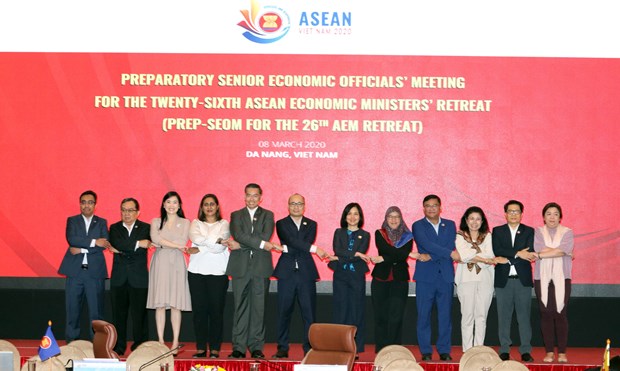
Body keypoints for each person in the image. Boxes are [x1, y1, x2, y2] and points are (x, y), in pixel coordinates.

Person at [226, 183, 281, 359]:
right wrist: (261, 245)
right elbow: (239, 234)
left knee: (259, 309)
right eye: (248, 195)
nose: (251, 198)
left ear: (260, 197)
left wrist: (240, 246)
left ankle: (256, 346)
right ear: (244, 196)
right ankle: (239, 347)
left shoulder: (268, 215)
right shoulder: (235, 215)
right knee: (239, 308)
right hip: (240, 268)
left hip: (260, 268)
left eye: (255, 195)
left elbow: (264, 237)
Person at [272, 194, 329, 358]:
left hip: (306, 274)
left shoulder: (311, 224)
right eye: (293, 204)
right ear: (288, 206)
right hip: (286, 274)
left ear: (304, 206)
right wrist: (314, 249)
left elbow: (294, 244)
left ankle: (309, 348)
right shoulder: (281, 223)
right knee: (284, 311)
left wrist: (287, 247)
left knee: (309, 313)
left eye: (299, 204)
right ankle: (282, 347)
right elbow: (290, 239)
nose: (296, 207)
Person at [412, 194, 459, 361]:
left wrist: (431, 256)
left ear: (440, 207)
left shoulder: (451, 224)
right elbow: (425, 244)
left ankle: (444, 350)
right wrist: (449, 254)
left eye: (434, 205)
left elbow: (449, 244)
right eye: (428, 205)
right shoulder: (418, 225)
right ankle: (425, 351)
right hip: (425, 277)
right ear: (423, 208)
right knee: (423, 315)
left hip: (445, 276)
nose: (431, 208)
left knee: (445, 315)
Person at [59, 190, 110, 342]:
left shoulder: (101, 222)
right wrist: (94, 242)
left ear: (95, 205)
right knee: (72, 310)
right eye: (83, 202)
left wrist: (81, 249)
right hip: (75, 272)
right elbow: (72, 239)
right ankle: (72, 344)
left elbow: (104, 244)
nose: (86, 205)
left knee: (96, 312)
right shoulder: (72, 220)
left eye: (90, 202)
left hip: (94, 273)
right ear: (80, 204)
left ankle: (96, 344)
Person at [147, 191, 191, 355]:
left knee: (175, 304)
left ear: (179, 205)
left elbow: (181, 241)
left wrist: (166, 244)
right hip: (160, 263)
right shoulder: (156, 221)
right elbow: (154, 238)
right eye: (168, 202)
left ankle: (174, 342)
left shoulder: (186, 222)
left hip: (177, 263)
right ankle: (160, 341)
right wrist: (175, 245)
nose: (171, 205)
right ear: (163, 204)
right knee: (159, 304)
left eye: (175, 202)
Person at [492, 200, 537, 362]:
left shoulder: (529, 231)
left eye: (516, 211)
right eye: (510, 211)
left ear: (521, 214)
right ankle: (504, 348)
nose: (513, 214)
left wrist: (509, 259)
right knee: (503, 317)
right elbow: (498, 250)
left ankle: (525, 349)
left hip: (522, 280)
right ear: (505, 214)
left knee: (524, 316)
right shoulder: (497, 231)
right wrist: (518, 254)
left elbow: (529, 253)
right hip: (503, 280)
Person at [187, 194, 231, 359]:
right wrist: (212, 242)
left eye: (212, 204)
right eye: (206, 204)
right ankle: (200, 347)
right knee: (199, 312)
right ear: (201, 207)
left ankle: (214, 348)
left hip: (218, 273)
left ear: (217, 207)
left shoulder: (224, 223)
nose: (209, 207)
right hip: (196, 272)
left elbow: (221, 246)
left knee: (216, 312)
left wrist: (200, 247)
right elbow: (195, 238)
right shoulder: (195, 223)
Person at [108, 197, 151, 355]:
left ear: (138, 212)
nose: (126, 213)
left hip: (138, 277)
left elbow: (120, 246)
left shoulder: (146, 227)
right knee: (119, 314)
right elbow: (117, 243)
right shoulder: (114, 228)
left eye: (130, 210)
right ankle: (119, 346)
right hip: (119, 278)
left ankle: (140, 345)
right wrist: (138, 243)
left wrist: (120, 249)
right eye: (123, 210)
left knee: (140, 314)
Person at [454, 206, 500, 352]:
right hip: (465, 280)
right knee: (467, 316)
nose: (475, 222)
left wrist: (472, 256)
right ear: (466, 220)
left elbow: (491, 254)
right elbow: (462, 255)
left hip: (485, 279)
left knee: (481, 316)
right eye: (471, 218)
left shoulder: (488, 236)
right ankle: (467, 350)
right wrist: (484, 259)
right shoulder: (459, 235)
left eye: (478, 219)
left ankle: (478, 349)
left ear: (482, 221)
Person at [533, 202, 574, 363]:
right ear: (543, 217)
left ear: (560, 217)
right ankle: (549, 351)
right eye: (548, 213)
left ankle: (562, 352)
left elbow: (544, 252)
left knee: (560, 314)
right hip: (541, 278)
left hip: (562, 278)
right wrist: (560, 251)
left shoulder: (568, 232)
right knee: (546, 314)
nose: (552, 217)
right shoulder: (537, 231)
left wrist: (541, 254)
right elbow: (540, 248)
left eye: (556, 213)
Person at [369, 206, 414, 353]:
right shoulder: (379, 233)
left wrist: (383, 258)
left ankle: (394, 349)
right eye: (390, 216)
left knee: (397, 316)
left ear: (401, 219)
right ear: (386, 219)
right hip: (380, 278)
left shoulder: (408, 235)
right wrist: (393, 255)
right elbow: (396, 253)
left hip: (399, 279)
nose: (393, 219)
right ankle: (381, 349)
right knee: (380, 315)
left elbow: (402, 255)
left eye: (397, 216)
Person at [331, 202, 370, 356]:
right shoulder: (338, 232)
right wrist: (355, 254)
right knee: (340, 310)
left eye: (356, 214)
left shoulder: (365, 234)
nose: (352, 217)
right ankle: (339, 345)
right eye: (349, 214)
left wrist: (342, 256)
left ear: (360, 217)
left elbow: (346, 253)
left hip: (356, 276)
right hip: (340, 275)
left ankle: (356, 347)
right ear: (345, 216)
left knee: (356, 310)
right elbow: (337, 249)